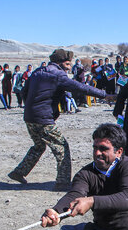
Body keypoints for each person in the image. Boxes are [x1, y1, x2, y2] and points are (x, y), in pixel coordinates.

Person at [8, 49, 113, 191]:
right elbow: (80, 87)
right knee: (62, 148)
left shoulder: (37, 72)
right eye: (68, 64)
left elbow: (24, 92)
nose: (69, 67)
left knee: (39, 146)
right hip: (43, 119)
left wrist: (31, 108)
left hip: (29, 117)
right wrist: (104, 95)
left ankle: (18, 172)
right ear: (60, 63)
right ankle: (63, 183)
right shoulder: (57, 75)